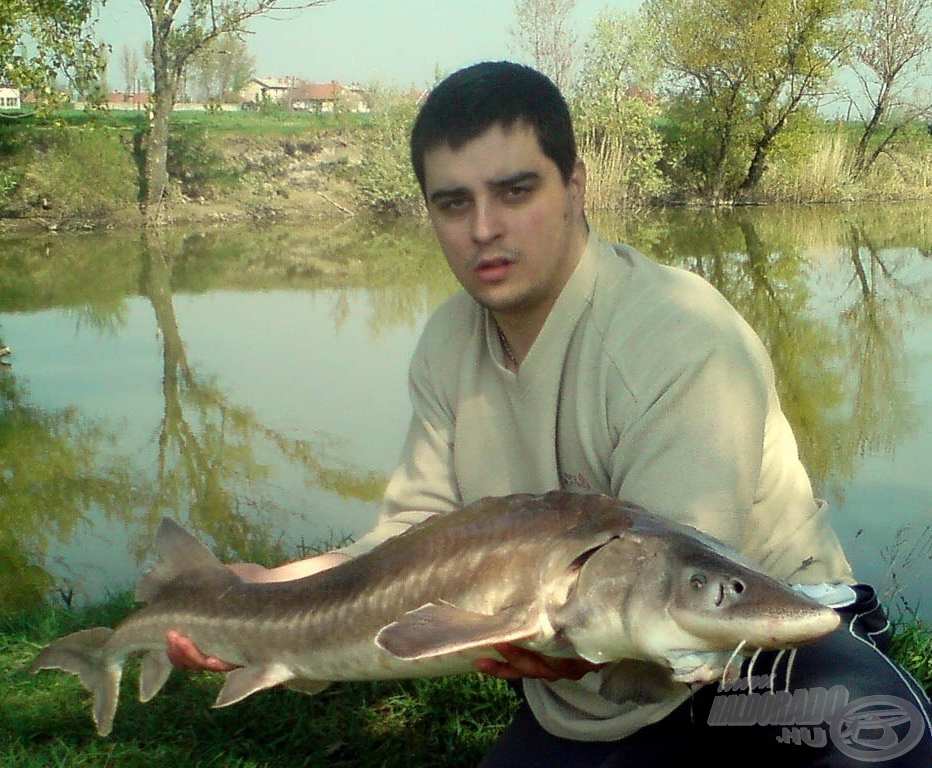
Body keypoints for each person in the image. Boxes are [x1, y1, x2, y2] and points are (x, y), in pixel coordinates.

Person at [167, 62, 931, 766]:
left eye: (515, 191)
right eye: (452, 203)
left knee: (883, 748)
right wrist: (270, 588)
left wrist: (526, 630)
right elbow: (408, 545)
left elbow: (669, 584)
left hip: (766, 647)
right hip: (584, 674)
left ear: (575, 185)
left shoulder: (678, 331)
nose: (483, 229)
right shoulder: (445, 342)